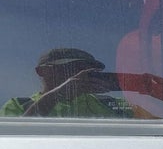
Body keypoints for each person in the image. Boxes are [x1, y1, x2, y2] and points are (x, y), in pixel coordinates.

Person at [0, 47, 139, 118]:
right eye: (75, 67)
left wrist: (140, 86)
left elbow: (155, 125)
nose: (83, 73)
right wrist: (56, 96)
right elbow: (13, 142)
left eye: (91, 70)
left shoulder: (115, 104)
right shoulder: (18, 105)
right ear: (42, 71)